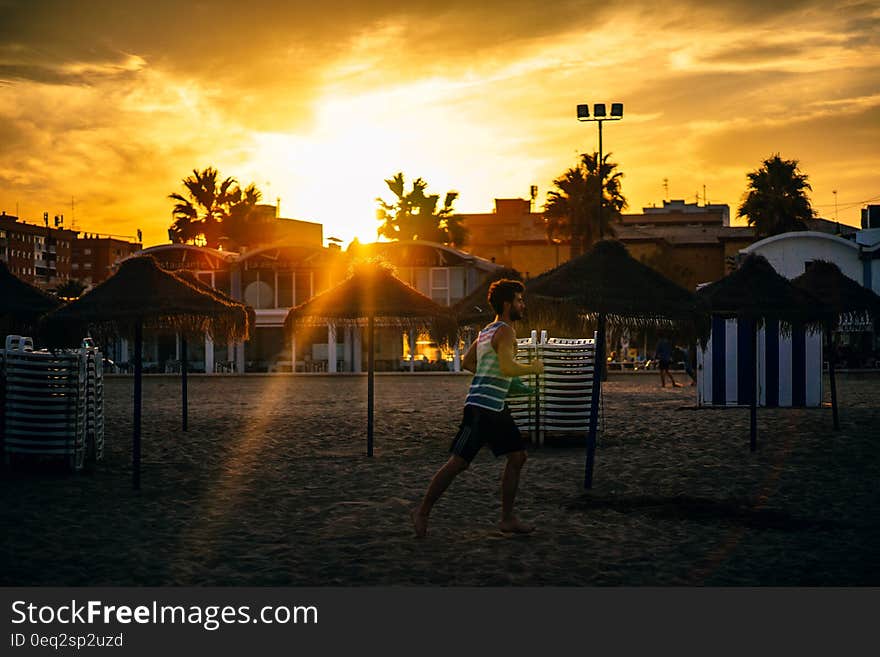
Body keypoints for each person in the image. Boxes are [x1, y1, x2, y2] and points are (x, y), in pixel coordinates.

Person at [411, 279, 544, 538]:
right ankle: (422, 512)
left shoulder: (487, 331)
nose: (522, 305)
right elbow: (507, 367)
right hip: (484, 408)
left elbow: (471, 362)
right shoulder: (506, 331)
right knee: (458, 462)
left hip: (492, 406)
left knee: (517, 457)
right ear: (508, 304)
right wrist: (533, 368)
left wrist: (517, 387)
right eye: (519, 300)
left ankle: (507, 519)